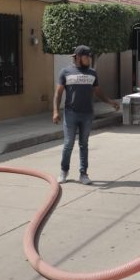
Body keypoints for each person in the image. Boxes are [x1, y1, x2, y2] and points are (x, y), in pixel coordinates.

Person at [53, 45, 119, 185]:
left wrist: (110, 102)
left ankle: (83, 174)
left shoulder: (92, 73)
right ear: (77, 57)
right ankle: (64, 171)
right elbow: (58, 93)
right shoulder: (65, 72)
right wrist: (55, 111)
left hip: (87, 114)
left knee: (84, 144)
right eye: (86, 56)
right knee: (68, 144)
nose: (89, 59)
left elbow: (98, 92)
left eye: (90, 56)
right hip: (71, 114)